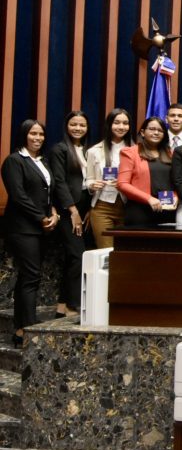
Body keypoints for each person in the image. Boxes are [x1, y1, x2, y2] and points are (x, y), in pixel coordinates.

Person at [1, 120, 59, 347]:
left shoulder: (42, 161)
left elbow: (47, 194)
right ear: (24, 135)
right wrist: (41, 217)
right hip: (22, 228)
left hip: (42, 227)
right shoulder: (15, 161)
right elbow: (18, 195)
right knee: (31, 276)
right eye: (33, 133)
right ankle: (28, 327)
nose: (37, 138)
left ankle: (20, 329)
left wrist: (54, 213)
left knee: (29, 276)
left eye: (41, 134)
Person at [48, 111, 91, 318]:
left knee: (72, 259)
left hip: (85, 208)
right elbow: (59, 182)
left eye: (82, 125)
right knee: (76, 255)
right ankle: (73, 305)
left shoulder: (89, 150)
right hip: (68, 211)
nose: (78, 129)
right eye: (74, 124)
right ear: (67, 126)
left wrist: (89, 208)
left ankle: (62, 306)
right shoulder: (60, 149)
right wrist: (72, 210)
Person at [85, 108, 133, 248]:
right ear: (109, 125)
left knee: (125, 253)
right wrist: (92, 185)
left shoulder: (136, 150)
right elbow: (88, 179)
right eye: (116, 122)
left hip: (127, 207)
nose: (121, 127)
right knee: (106, 253)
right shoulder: (94, 151)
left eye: (125, 123)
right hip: (102, 207)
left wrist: (124, 184)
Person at [118, 117, 177, 226]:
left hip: (167, 210)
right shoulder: (130, 152)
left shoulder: (171, 154)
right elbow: (122, 184)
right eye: (152, 129)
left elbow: (177, 181)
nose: (156, 133)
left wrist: (175, 197)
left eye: (160, 131)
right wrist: (148, 198)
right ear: (143, 132)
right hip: (139, 210)